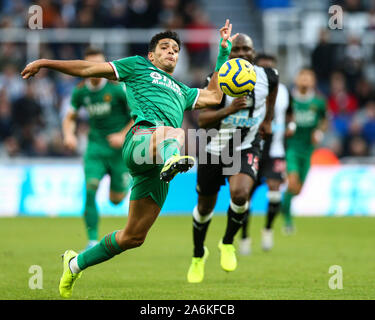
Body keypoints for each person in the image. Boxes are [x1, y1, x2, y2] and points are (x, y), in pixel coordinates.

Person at [21, 19, 238, 298]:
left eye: (175, 49)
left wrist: (223, 52)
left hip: (157, 162)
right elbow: (88, 68)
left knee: (133, 237)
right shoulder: (137, 66)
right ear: (152, 55)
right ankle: (173, 159)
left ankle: (74, 264)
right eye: (165, 47)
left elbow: (214, 96)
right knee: (174, 131)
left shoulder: (182, 91)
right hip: (140, 141)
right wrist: (46, 62)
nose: (172, 52)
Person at [186, 34, 278, 283]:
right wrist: (228, 110)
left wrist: (268, 120)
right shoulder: (215, 79)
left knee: (240, 195)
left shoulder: (269, 76)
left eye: (245, 48)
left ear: (253, 52)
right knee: (205, 208)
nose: (240, 53)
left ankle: (227, 242)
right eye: (235, 49)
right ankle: (198, 254)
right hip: (214, 149)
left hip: (246, 146)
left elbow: (272, 95)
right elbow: (202, 121)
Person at [62, 47, 133, 251]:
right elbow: (69, 118)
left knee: (116, 200)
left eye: (100, 64)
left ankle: (127, 180)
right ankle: (92, 240)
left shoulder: (117, 89)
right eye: (91, 65)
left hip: (119, 151)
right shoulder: (81, 91)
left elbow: (137, 116)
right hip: (95, 147)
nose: (96, 69)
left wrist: (121, 135)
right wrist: (68, 134)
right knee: (90, 188)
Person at [239, 53, 293, 255]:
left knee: (274, 191)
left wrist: (291, 125)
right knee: (244, 197)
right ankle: (244, 235)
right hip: (252, 148)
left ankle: (268, 228)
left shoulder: (285, 91)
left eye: (271, 68)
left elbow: (290, 113)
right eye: (263, 68)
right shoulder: (246, 90)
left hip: (276, 150)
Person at [281, 68, 327, 234]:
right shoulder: (289, 100)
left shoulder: (319, 102)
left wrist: (320, 132)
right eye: (303, 76)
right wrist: (285, 128)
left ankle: (282, 204)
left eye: (309, 77)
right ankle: (287, 221)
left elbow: (324, 120)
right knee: (292, 182)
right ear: (297, 79)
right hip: (291, 148)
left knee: (297, 190)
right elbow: (279, 118)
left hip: (308, 150)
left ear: (313, 81)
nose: (305, 80)